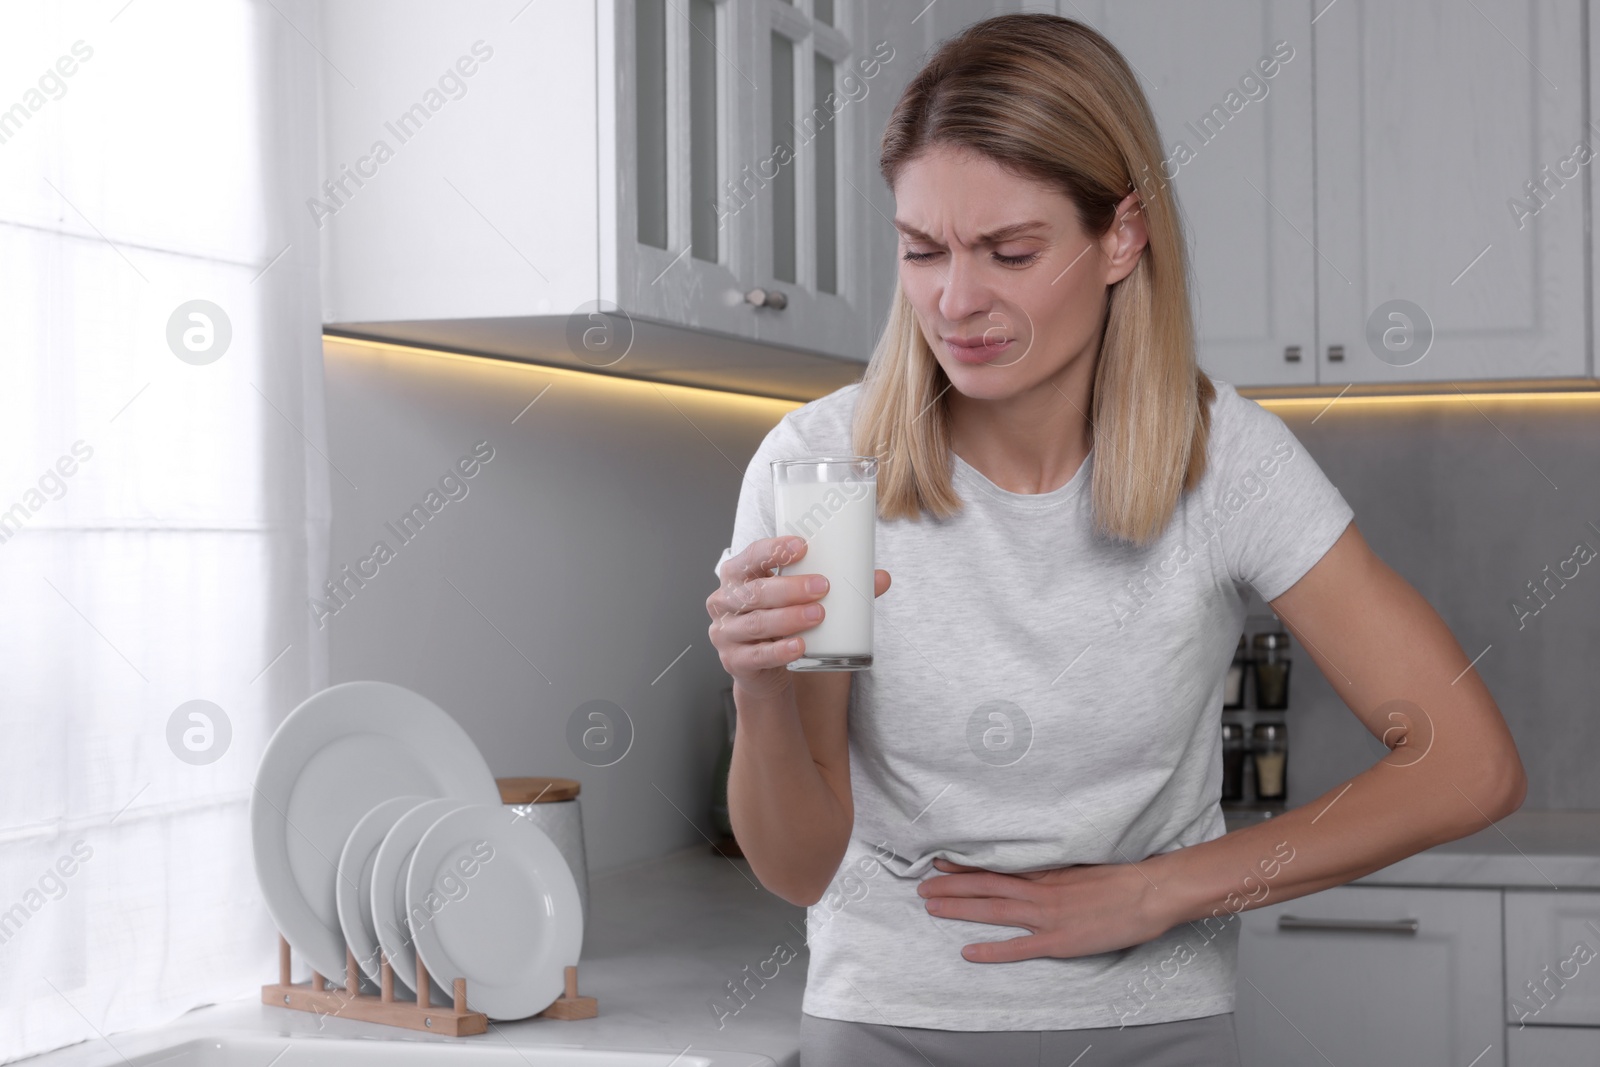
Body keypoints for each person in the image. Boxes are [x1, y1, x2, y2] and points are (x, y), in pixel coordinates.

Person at [705, 13, 1526, 1067]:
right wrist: (759, 691)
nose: (955, 301)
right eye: (921, 250)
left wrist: (1155, 890)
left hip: (1154, 1026)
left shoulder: (1227, 461)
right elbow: (798, 865)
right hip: (882, 1022)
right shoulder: (825, 469)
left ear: (1121, 237)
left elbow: (1466, 763)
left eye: (1010, 251)